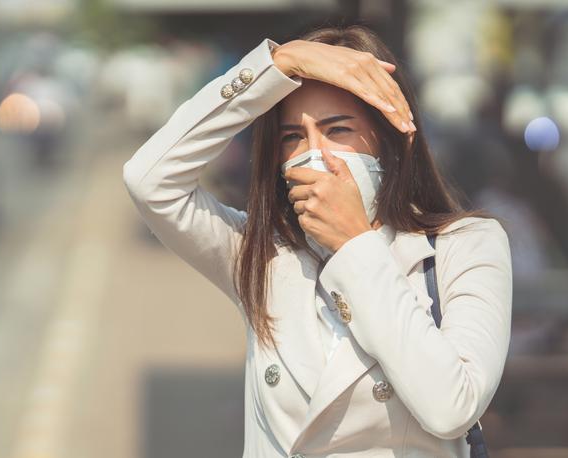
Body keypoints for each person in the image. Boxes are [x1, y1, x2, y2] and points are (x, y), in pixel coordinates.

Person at [123, 24, 512, 458]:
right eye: (293, 137)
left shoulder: (466, 245)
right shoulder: (261, 254)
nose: (314, 153)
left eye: (338, 130)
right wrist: (276, 65)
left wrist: (354, 244)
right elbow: (150, 181)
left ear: (388, 140)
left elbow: (451, 407)